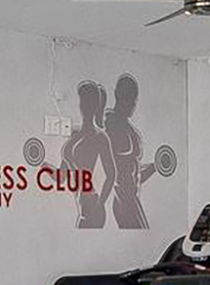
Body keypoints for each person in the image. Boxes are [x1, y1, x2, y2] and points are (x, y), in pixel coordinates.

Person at [104, 75, 154, 231]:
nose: (132, 104)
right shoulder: (112, 126)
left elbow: (133, 172)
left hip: (130, 197)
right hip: (124, 199)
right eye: (128, 98)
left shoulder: (126, 127)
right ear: (117, 95)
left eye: (134, 99)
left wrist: (154, 167)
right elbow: (121, 171)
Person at [63, 80, 111, 228]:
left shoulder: (100, 137)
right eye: (82, 102)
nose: (84, 107)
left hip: (91, 205)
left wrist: (100, 203)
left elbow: (111, 174)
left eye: (89, 103)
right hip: (82, 203)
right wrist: (41, 163)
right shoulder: (74, 133)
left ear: (95, 107)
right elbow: (61, 176)